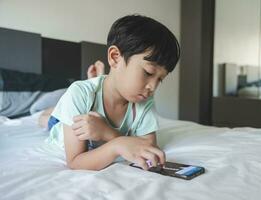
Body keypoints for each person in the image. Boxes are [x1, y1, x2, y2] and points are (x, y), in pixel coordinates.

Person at [46, 14, 180, 171]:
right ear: (115, 58)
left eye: (160, 79)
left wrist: (109, 134)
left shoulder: (144, 101)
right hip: (62, 126)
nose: (153, 87)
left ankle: (94, 82)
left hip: (86, 108)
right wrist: (119, 144)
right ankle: (50, 112)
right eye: (149, 73)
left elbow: (146, 147)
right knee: (50, 120)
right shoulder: (78, 93)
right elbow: (75, 162)